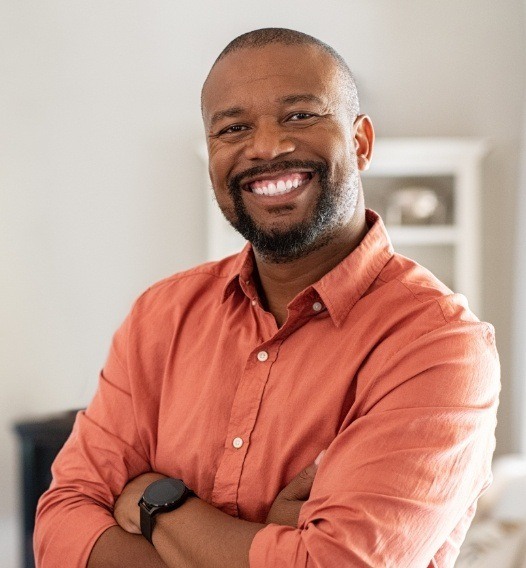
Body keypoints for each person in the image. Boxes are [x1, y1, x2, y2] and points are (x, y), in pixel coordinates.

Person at [34, 28, 500, 568]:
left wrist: (157, 504)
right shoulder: (160, 316)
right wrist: (265, 543)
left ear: (361, 143)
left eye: (300, 115)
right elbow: (60, 527)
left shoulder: (439, 346)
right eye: (233, 128)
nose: (265, 147)